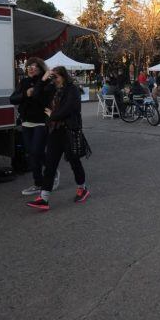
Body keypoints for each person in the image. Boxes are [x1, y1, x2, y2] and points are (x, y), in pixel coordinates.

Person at [27, 66, 90, 211]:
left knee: (74, 162)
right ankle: (44, 198)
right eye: (52, 77)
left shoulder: (72, 89)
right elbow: (36, 95)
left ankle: (82, 188)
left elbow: (68, 109)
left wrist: (52, 115)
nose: (54, 79)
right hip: (54, 131)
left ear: (63, 76)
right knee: (50, 165)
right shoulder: (52, 89)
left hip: (68, 131)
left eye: (56, 77)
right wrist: (43, 79)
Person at [9, 57, 59, 195]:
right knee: (32, 153)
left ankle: (49, 176)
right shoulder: (24, 82)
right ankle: (38, 183)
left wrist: (39, 84)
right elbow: (12, 99)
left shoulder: (49, 83)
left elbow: (39, 97)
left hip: (41, 122)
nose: (30, 68)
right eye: (28, 66)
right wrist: (25, 93)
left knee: (37, 152)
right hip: (26, 122)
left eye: (33, 66)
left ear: (41, 68)